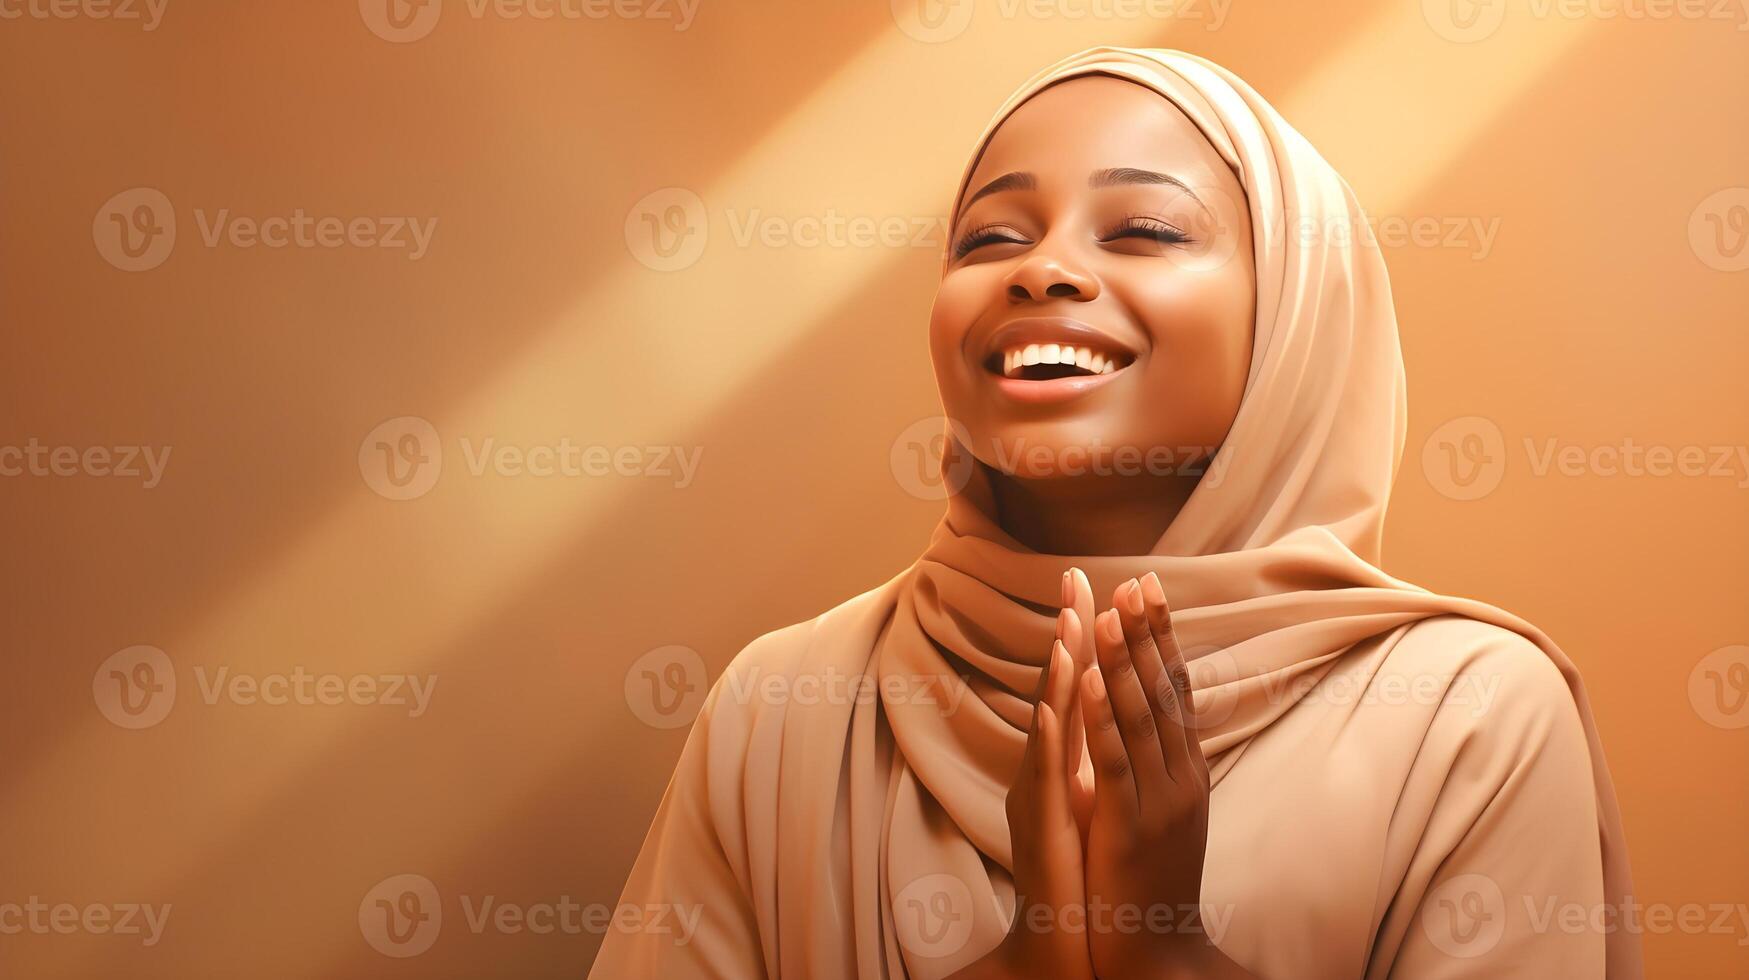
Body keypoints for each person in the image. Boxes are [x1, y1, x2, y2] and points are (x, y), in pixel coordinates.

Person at [589, 47, 1640, 979]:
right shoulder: (784, 708)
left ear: (1293, 319)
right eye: (988, 237)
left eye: (1142, 229)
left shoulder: (1470, 715)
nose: (1043, 269)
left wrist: (1161, 955)